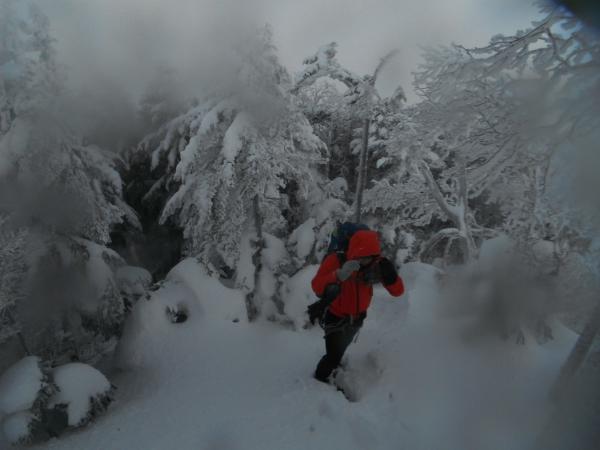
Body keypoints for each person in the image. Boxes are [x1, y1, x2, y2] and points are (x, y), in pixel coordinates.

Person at [309, 229, 405, 383]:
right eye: (360, 257)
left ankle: (335, 363)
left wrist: (391, 277)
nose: (363, 262)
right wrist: (337, 275)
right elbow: (316, 286)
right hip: (335, 317)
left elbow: (398, 292)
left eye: (368, 258)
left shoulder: (377, 265)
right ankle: (320, 378)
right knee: (332, 356)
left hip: (358, 318)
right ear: (353, 252)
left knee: (341, 348)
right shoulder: (336, 260)